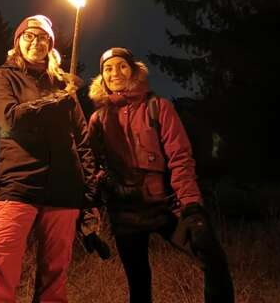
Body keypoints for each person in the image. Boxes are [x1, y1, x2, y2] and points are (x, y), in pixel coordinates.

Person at [85, 47, 234, 303]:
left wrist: (192, 208)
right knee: (139, 285)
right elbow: (94, 170)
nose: (115, 72)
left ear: (133, 71)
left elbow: (180, 158)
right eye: (108, 69)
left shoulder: (158, 107)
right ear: (102, 78)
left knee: (213, 259)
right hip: (125, 214)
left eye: (121, 66)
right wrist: (89, 218)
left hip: (165, 207)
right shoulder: (98, 119)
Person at [0, 15, 96, 303]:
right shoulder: (5, 76)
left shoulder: (63, 85)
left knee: (55, 274)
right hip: (20, 184)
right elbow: (9, 118)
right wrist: (53, 102)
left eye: (42, 37)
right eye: (28, 36)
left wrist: (91, 194)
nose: (35, 42)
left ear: (50, 44)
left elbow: (83, 141)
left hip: (64, 189)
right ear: (17, 42)